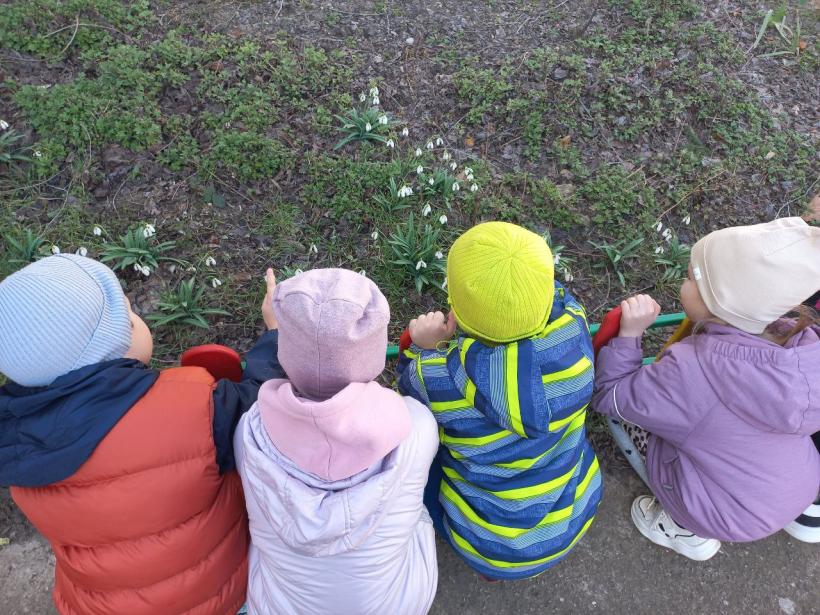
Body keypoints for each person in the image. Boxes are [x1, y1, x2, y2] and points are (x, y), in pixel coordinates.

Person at [0, 254, 282, 614]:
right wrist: (275, 336)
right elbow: (264, 407)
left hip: (98, 605)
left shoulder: (17, 451)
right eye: (130, 318)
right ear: (112, 350)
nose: (138, 320)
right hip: (214, 595)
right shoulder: (192, 410)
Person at [592, 217, 820, 560]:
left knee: (628, 418)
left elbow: (610, 394)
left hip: (725, 512)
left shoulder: (693, 371)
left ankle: (686, 529)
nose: (681, 281)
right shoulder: (800, 344)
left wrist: (629, 334)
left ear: (717, 305)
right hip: (796, 486)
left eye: (689, 277)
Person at [397, 221, 602, 581]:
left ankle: (487, 562)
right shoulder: (576, 330)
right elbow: (563, 300)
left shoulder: (435, 378)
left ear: (455, 312)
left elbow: (407, 399)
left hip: (487, 543)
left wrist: (422, 346)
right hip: (570, 517)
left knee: (422, 464)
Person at [233, 268, 439, 615]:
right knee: (414, 502)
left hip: (279, 609)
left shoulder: (250, 433)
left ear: (284, 352)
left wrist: (276, 331)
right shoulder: (415, 426)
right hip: (395, 606)